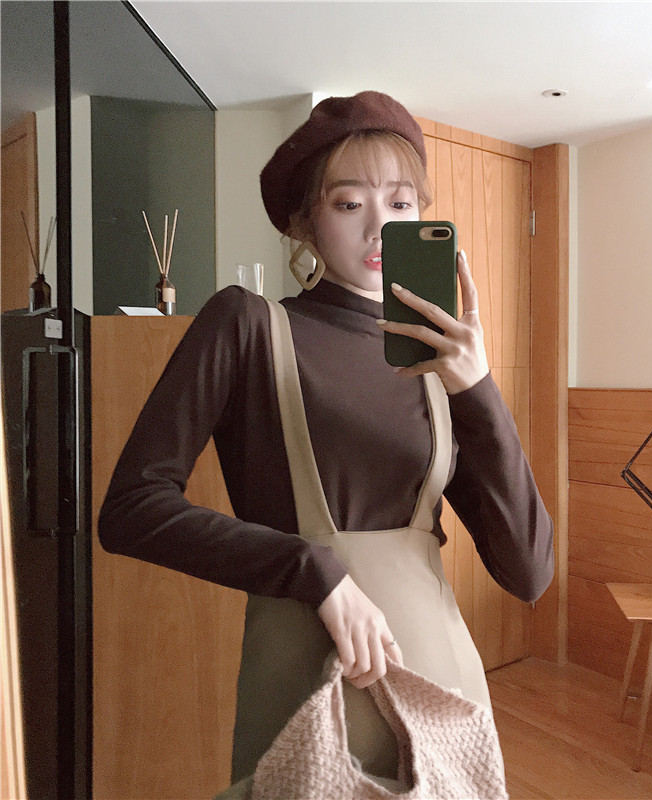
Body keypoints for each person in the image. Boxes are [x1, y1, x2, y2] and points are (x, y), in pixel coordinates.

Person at [99, 90, 554, 792]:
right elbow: (131, 509)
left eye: (400, 203)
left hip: (443, 691)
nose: (379, 227)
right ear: (303, 222)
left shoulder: (441, 363)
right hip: (304, 689)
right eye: (349, 203)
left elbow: (529, 571)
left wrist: (478, 390)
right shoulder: (247, 325)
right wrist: (309, 567)